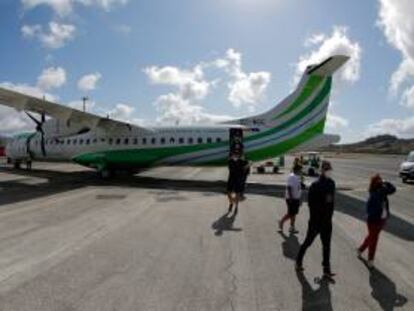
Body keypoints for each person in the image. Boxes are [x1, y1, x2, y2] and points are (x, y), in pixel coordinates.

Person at [296, 161, 336, 278]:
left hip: (327, 222)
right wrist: (319, 217)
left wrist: (328, 217)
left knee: (327, 246)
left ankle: (326, 270)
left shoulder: (332, 183)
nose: (329, 171)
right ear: (322, 171)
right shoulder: (315, 185)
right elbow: (311, 205)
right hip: (316, 222)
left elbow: (331, 202)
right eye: (327, 169)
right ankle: (298, 261)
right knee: (308, 242)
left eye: (330, 169)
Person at [357, 174, 396, 268]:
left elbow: (392, 190)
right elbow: (392, 189)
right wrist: (385, 183)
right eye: (379, 181)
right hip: (374, 221)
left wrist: (385, 182)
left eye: (381, 180)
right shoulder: (377, 193)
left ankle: (360, 249)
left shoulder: (380, 191)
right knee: (374, 240)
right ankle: (370, 260)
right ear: (376, 183)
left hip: (380, 220)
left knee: (371, 237)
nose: (381, 183)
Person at [279, 164, 303, 233]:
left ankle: (292, 227)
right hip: (292, 198)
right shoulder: (292, 177)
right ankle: (281, 222)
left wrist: (299, 198)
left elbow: (298, 188)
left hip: (296, 198)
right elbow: (289, 188)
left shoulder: (297, 176)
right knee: (290, 214)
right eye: (300, 170)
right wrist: (291, 198)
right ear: (297, 170)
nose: (301, 171)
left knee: (294, 213)